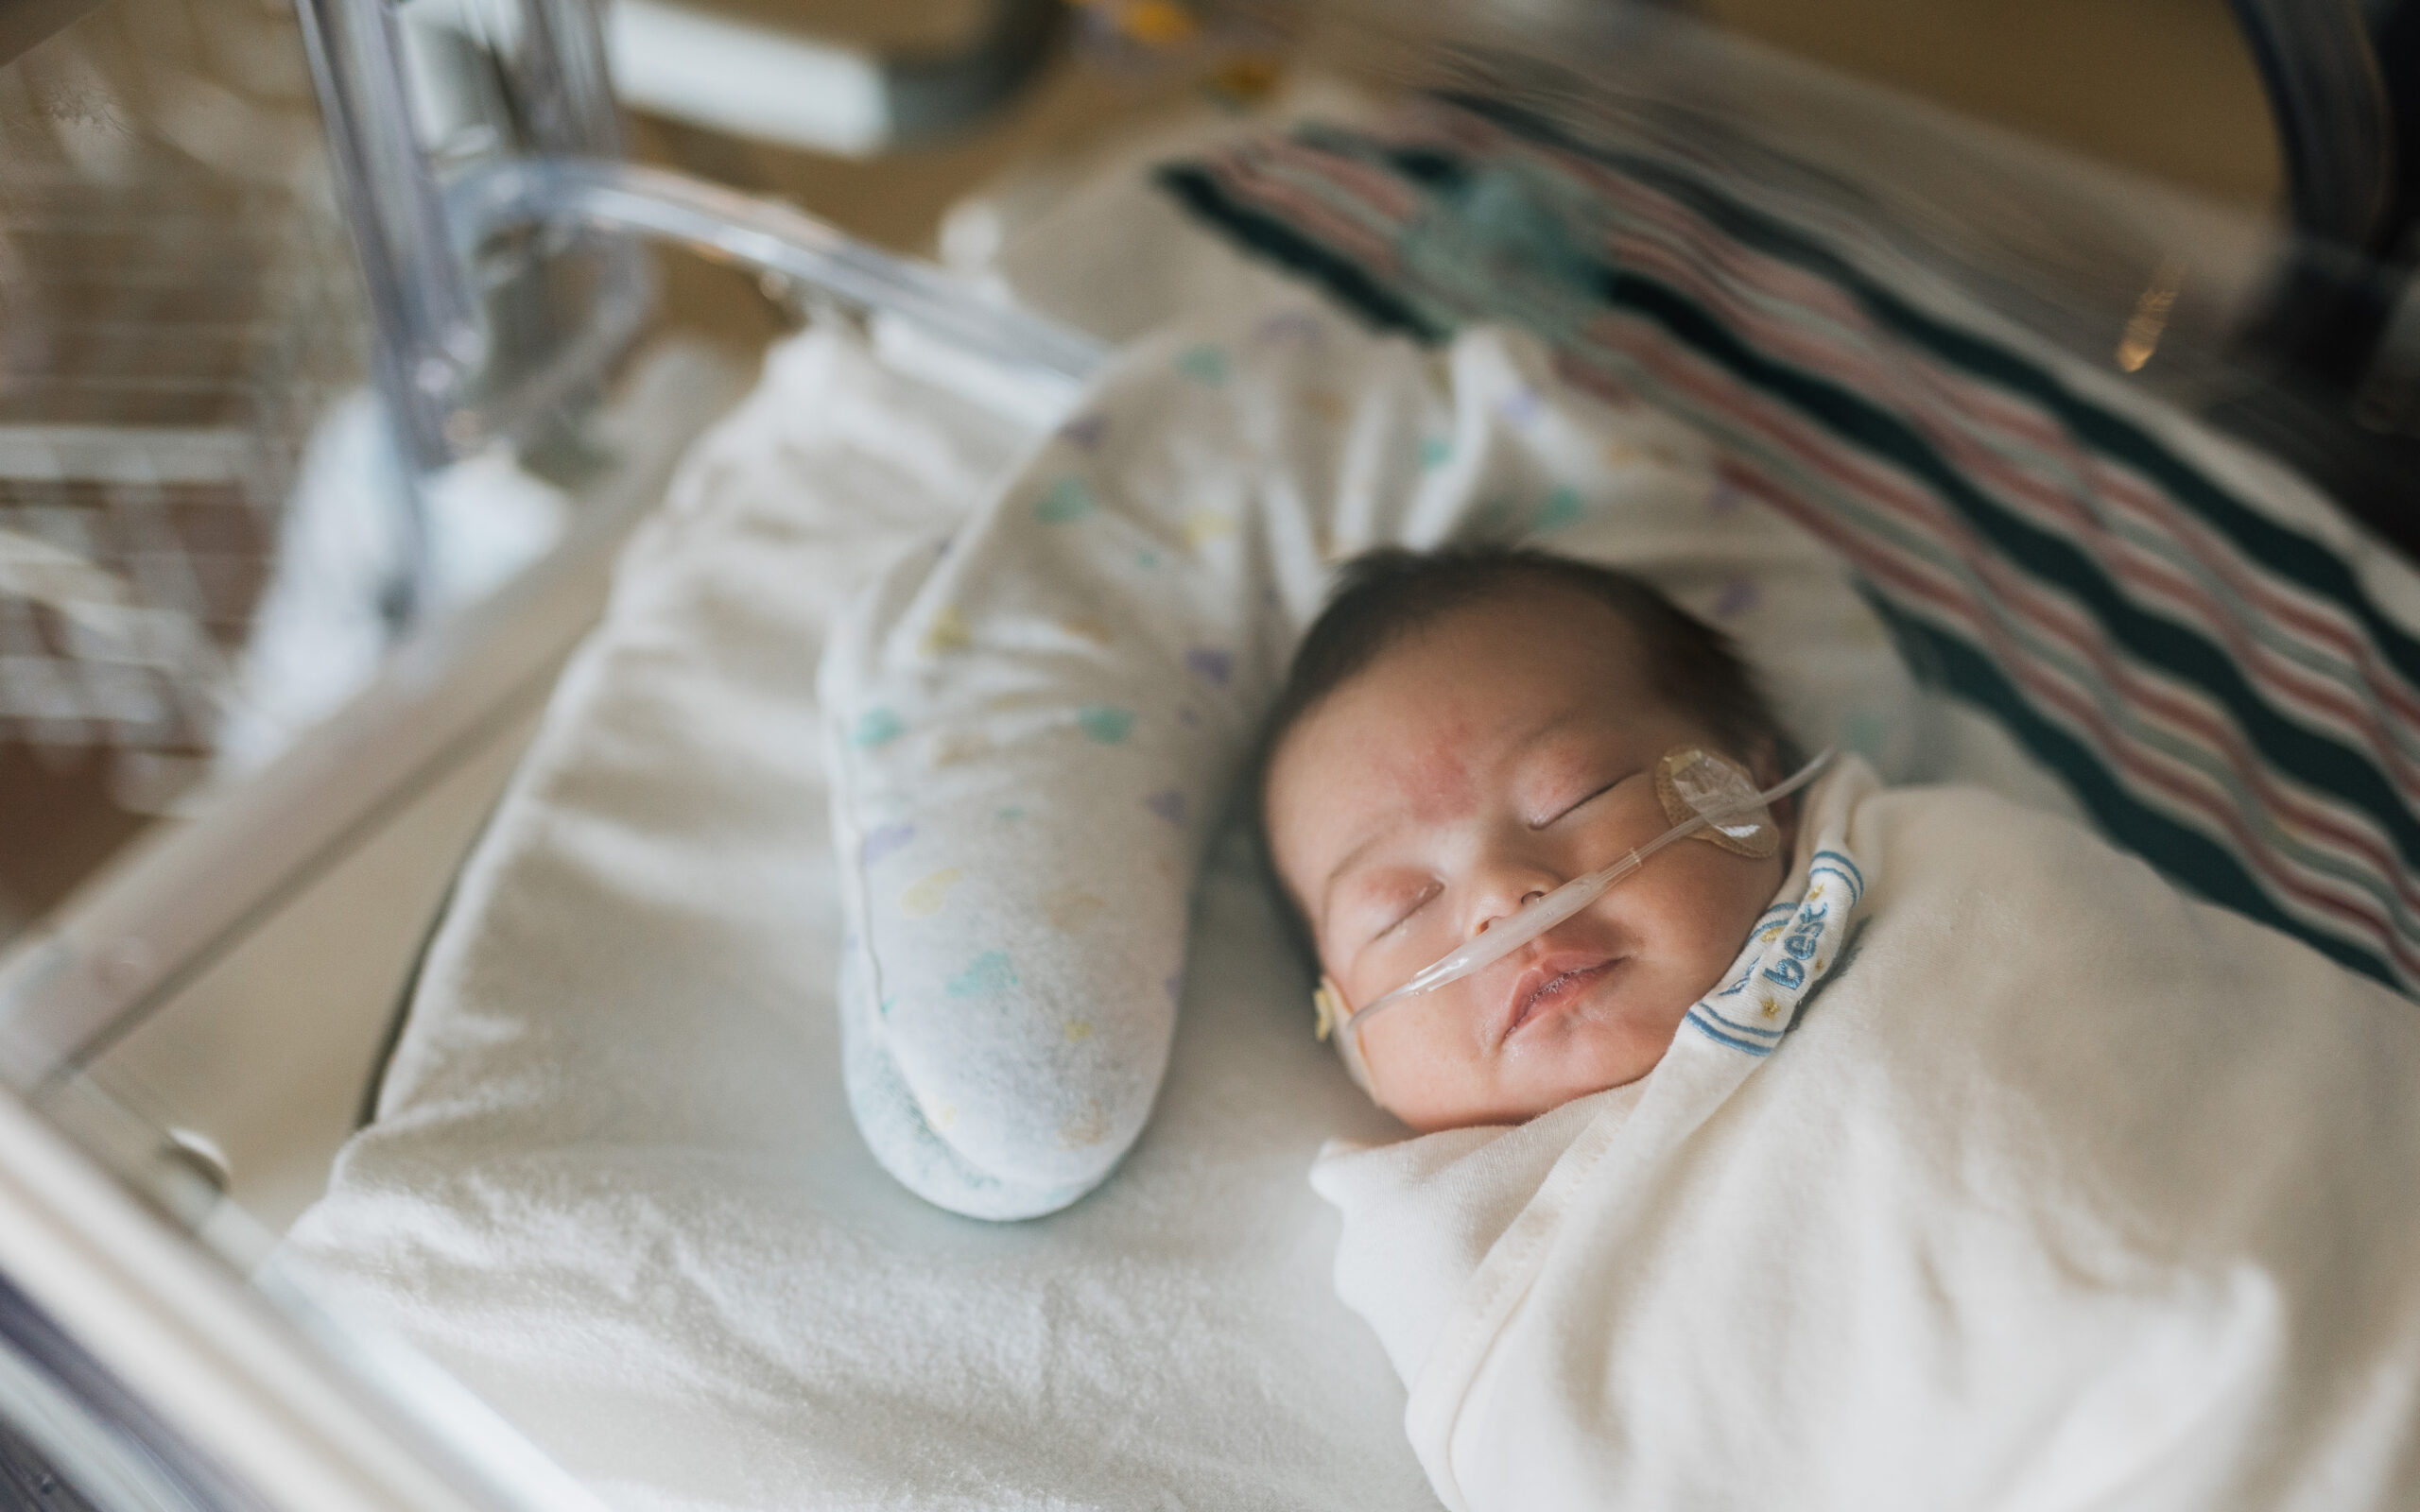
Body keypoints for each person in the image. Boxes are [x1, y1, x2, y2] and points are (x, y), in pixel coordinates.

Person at [1257, 543, 1809, 1131]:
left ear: (1760, 788)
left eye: (1580, 795)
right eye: (1401, 909)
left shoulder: (1901, 869)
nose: (1500, 897)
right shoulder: (1421, 1207)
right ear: (1344, 1027)